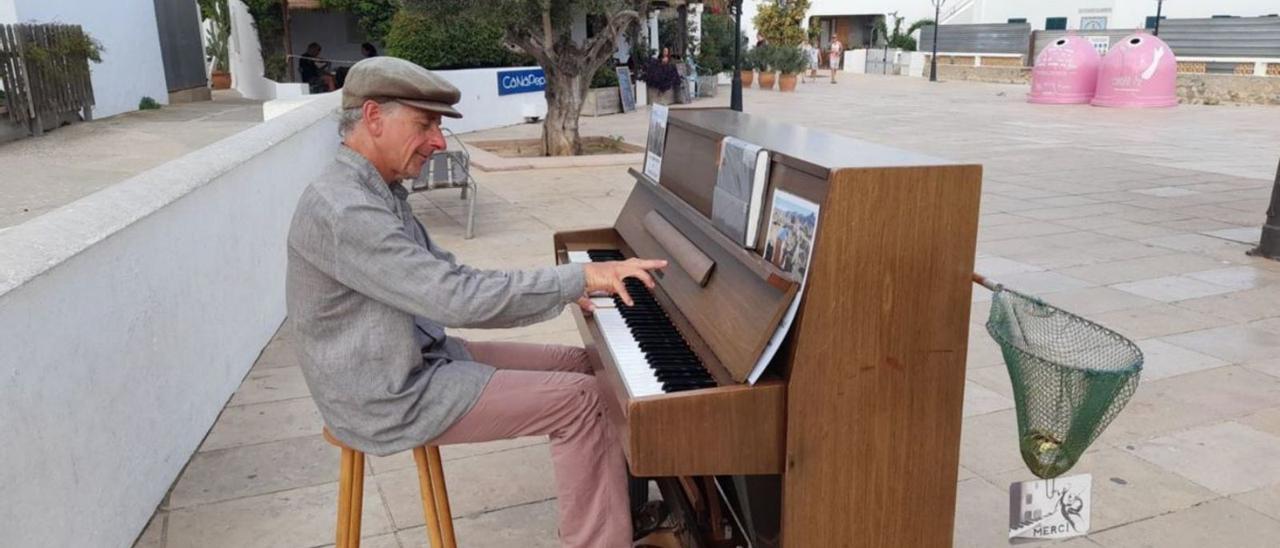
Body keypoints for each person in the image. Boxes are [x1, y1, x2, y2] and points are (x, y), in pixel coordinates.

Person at [285, 57, 667, 547]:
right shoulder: (346, 209)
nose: (439, 141)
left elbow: (454, 276)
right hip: (387, 395)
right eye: (425, 124)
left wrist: (573, 286)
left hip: (414, 359)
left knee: (590, 366)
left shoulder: (378, 191)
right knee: (584, 402)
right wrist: (577, 278)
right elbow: (457, 298)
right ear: (374, 117)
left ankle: (619, 513)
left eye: (438, 127)